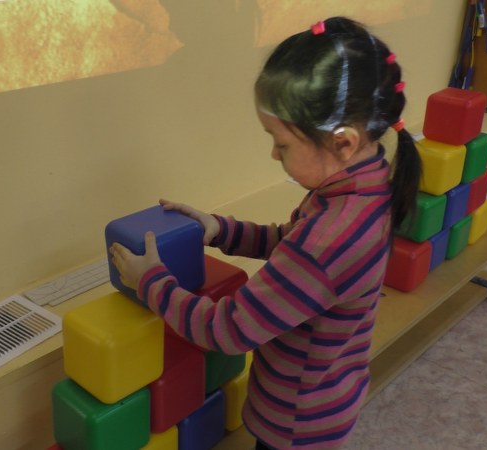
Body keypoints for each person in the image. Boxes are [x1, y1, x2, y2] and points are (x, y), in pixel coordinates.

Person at [109, 16, 421, 450]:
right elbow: (289, 242)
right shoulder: (362, 187)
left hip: (296, 423)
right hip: (326, 396)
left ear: (343, 142)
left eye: (282, 142)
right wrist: (220, 229)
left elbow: (227, 330)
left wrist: (151, 282)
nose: (273, 153)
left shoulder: (330, 237)